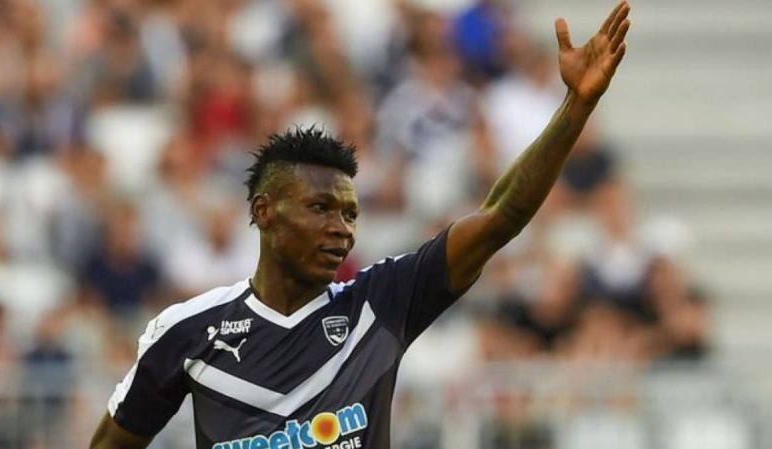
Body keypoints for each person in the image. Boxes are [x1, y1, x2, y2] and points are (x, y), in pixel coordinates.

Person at [89, 3, 631, 448]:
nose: (341, 229)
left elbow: (500, 216)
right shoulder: (189, 331)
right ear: (265, 211)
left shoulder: (381, 302)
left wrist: (574, 108)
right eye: (320, 209)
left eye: (350, 214)